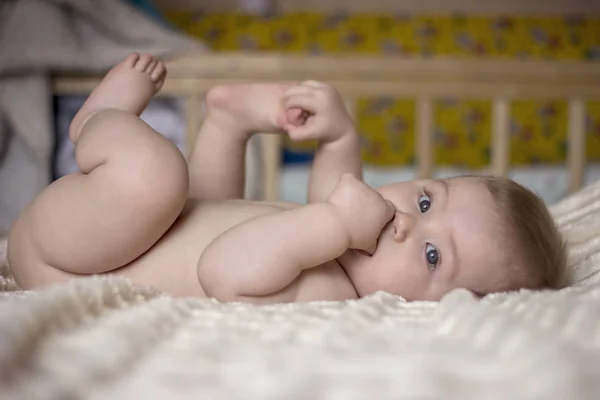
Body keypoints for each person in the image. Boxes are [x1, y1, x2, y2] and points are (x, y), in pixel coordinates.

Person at [7, 54, 566, 304]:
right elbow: (336, 190)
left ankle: (93, 127)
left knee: (157, 178)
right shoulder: (350, 249)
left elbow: (222, 269)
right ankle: (227, 123)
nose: (404, 225)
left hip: (70, 261)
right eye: (425, 200)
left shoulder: (331, 293)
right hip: (122, 237)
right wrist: (340, 136)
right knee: (198, 205)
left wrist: (333, 221)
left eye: (432, 257)